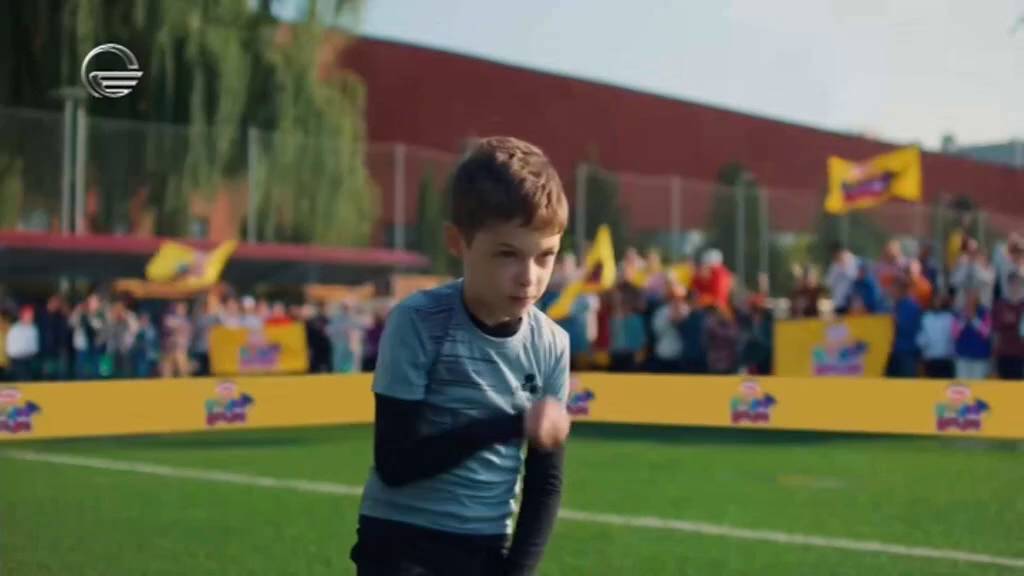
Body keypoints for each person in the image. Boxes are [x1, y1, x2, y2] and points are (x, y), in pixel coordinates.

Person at [351, 137, 571, 576]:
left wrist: (516, 570)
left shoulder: (552, 344)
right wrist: (511, 426)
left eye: (545, 256)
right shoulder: (418, 321)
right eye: (507, 254)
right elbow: (396, 464)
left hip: (484, 548)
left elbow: (545, 481)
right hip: (399, 544)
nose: (529, 277)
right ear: (458, 241)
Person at [953, 290, 992, 380]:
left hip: (979, 356)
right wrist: (964, 319)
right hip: (962, 356)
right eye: (967, 297)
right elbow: (955, 334)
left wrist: (974, 319)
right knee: (962, 384)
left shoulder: (984, 313)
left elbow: (986, 333)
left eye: (972, 297)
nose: (969, 300)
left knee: (977, 384)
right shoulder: (959, 313)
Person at [886, 278, 922, 378]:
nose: (891, 292)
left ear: (901, 290)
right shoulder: (893, 306)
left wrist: (894, 320)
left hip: (906, 353)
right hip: (891, 354)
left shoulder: (912, 307)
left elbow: (907, 328)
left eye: (893, 289)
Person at [992, 272, 1024, 379]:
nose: (1015, 287)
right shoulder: (1000, 306)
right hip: (1003, 354)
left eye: (1018, 284)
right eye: (1012, 284)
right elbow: (995, 333)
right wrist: (994, 356)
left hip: (1021, 356)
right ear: (1007, 286)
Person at [917, 294, 956, 378]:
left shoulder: (949, 318)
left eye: (939, 301)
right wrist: (922, 344)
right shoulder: (926, 317)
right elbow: (921, 336)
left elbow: (953, 336)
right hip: (930, 358)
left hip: (945, 358)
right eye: (935, 301)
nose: (937, 303)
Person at [6, 306, 39, 381]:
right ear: (22, 316)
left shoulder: (33, 328)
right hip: (17, 360)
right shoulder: (15, 329)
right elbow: (10, 347)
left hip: (30, 359)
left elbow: (34, 345)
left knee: (30, 380)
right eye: (29, 315)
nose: (31, 317)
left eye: (32, 315)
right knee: (20, 380)